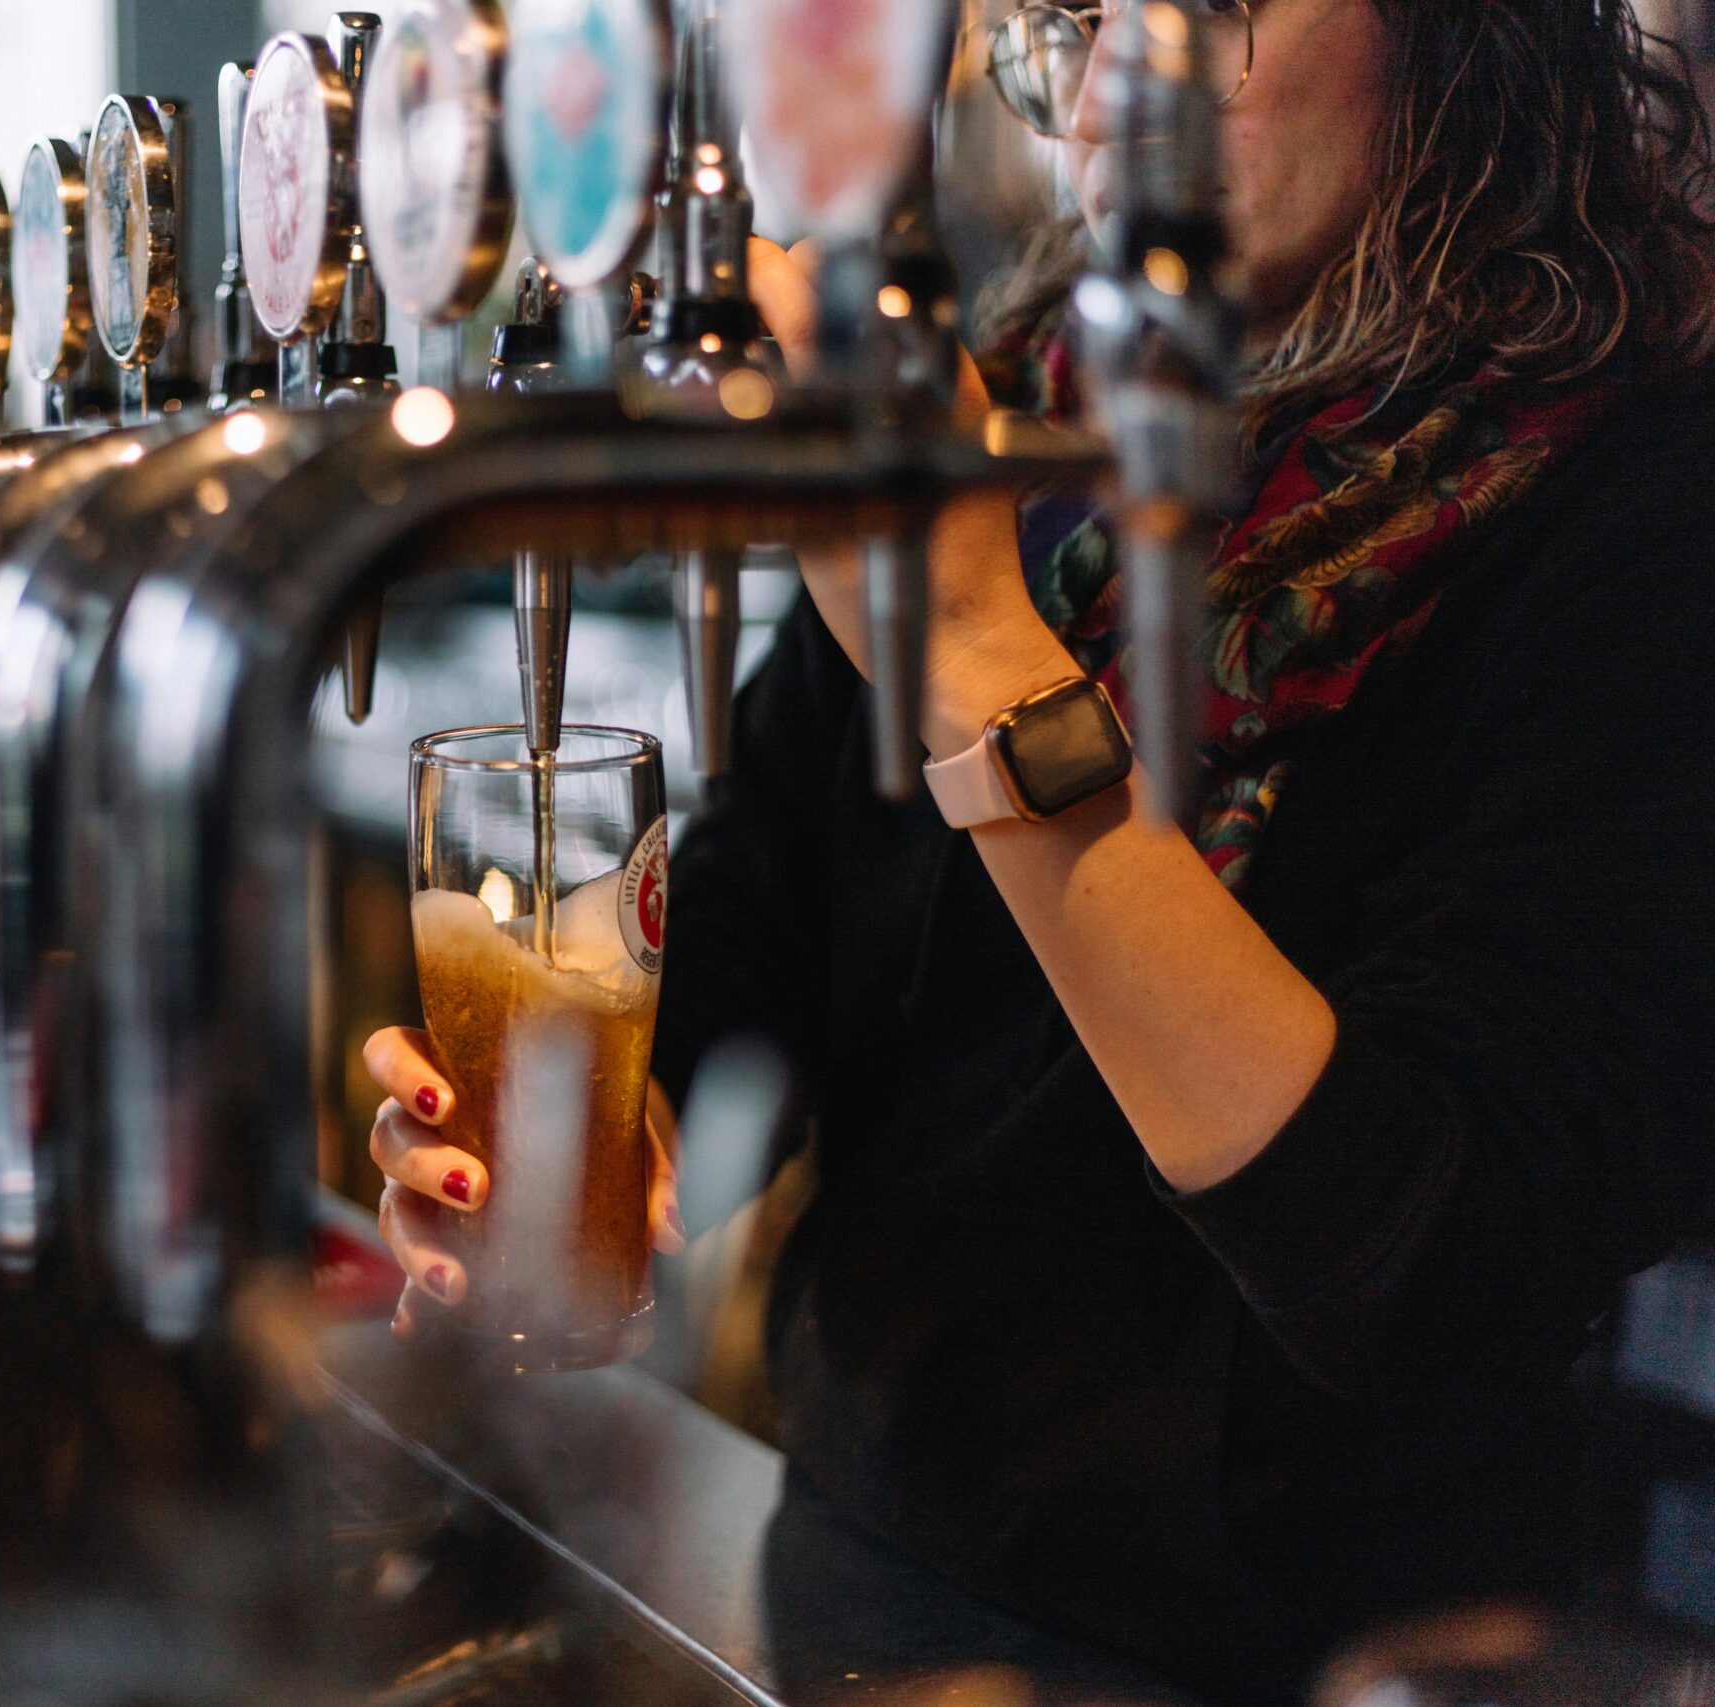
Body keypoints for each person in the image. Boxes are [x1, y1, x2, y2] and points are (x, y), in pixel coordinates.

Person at [361, 2, 1715, 1701]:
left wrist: (983, 658)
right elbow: (750, 913)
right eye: (1065, 22)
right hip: (859, 1584)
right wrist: (591, 1136)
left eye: (1202, 9)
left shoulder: (1639, 508)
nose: (1105, 91)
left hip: (1328, 1657)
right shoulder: (1027, 407)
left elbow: (1434, 1263)